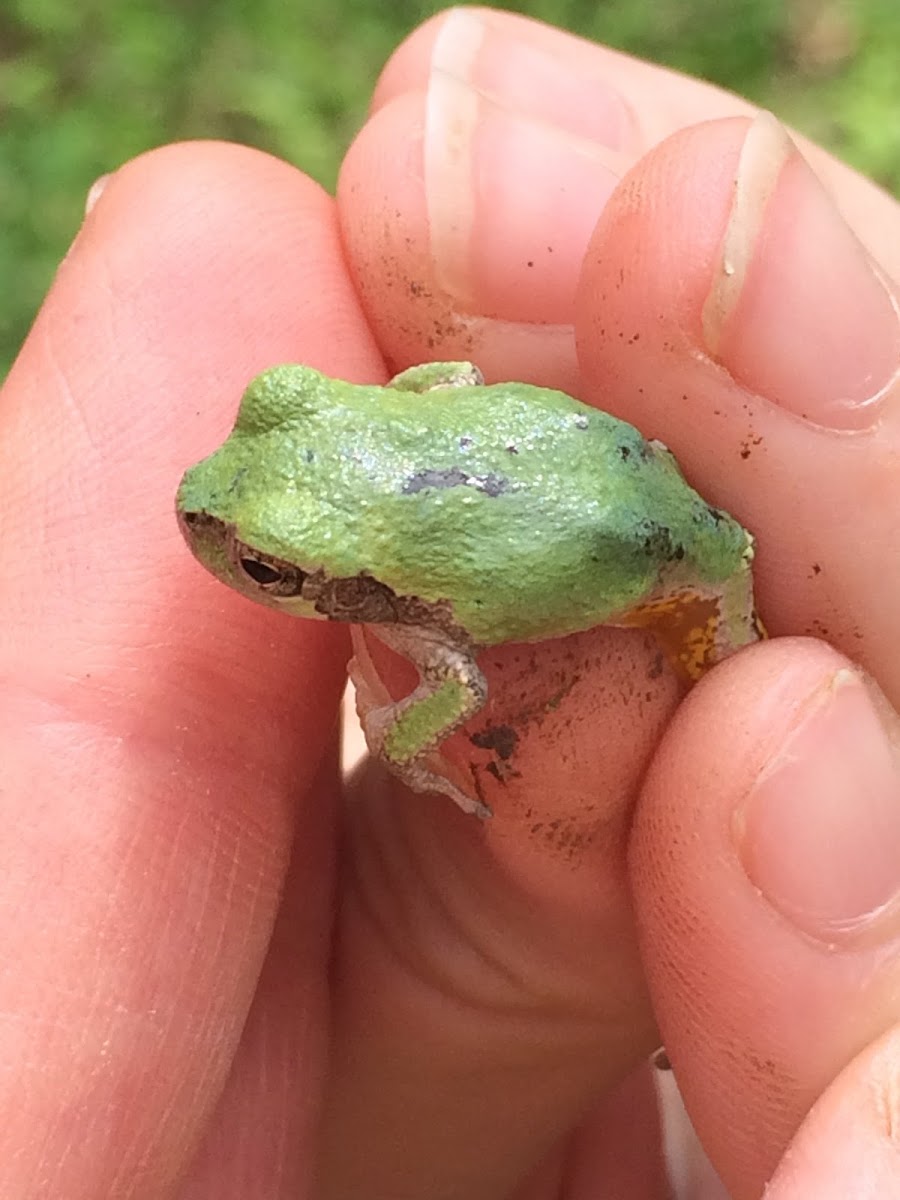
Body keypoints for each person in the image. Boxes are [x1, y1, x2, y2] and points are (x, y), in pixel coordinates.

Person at [3, 8, 898, 1197]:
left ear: (346, 589)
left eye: (271, 569)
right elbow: (451, 379)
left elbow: (461, 681)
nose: (222, 530)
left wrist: (399, 738)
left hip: (652, 547)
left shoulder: (412, 612)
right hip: (584, 462)